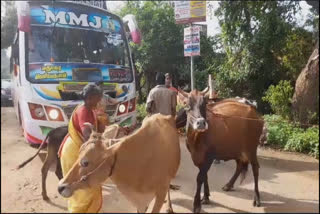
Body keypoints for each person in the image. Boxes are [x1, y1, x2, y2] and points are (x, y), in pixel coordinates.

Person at [58, 83, 103, 213]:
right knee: (82, 191)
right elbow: (87, 136)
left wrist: (102, 123)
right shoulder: (83, 111)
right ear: (89, 98)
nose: (99, 100)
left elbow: (97, 129)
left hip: (82, 151)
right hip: (74, 153)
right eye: (97, 98)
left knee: (91, 187)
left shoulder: (91, 110)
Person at [146, 72, 180, 190]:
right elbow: (174, 109)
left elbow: (148, 108)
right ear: (165, 81)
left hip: (155, 125)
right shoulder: (171, 92)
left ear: (156, 81)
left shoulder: (152, 92)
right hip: (168, 126)